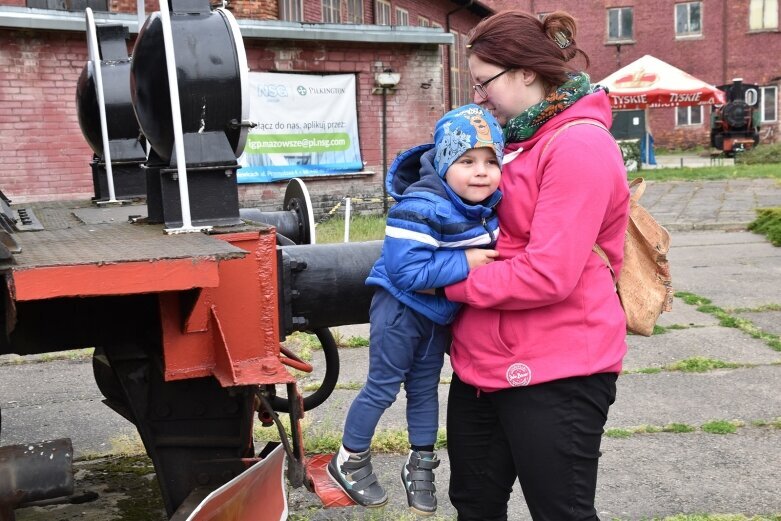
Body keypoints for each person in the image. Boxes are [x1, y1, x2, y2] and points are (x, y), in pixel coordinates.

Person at [441, 10, 631, 521]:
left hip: (560, 367)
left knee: (560, 511)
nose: (479, 97)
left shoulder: (577, 144)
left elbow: (548, 273)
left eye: (485, 83)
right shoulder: (513, 144)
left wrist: (445, 279)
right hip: (482, 366)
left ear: (526, 71)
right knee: (475, 506)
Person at [328, 104, 505, 515]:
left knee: (425, 389)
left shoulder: (482, 206)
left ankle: (420, 463)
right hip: (400, 308)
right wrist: (465, 263)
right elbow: (404, 270)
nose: (480, 171)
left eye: (490, 161)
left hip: (436, 315)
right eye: (467, 160)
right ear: (444, 161)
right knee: (383, 387)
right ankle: (349, 459)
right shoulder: (420, 204)